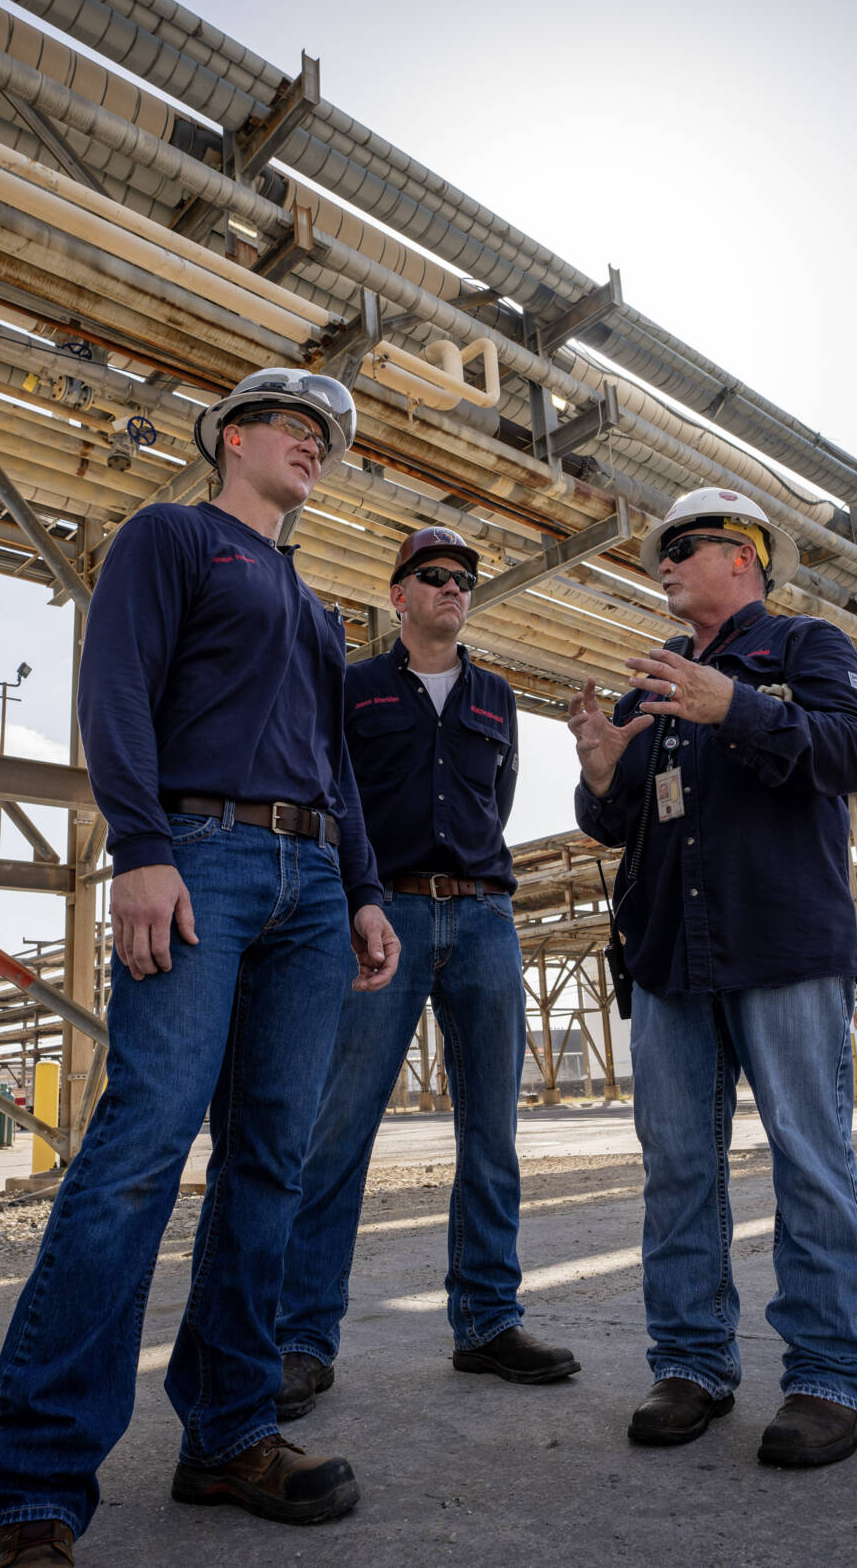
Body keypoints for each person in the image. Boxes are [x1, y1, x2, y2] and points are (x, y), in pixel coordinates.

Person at [0, 369, 401, 1568]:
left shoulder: (318, 612)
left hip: (314, 885)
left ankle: (228, 1431)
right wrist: (142, 848)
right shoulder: (172, 537)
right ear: (232, 438)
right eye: (292, 425)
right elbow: (113, 691)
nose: (314, 442)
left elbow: (340, 766)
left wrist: (364, 888)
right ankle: (33, 1484)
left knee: (270, 1156)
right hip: (202, 855)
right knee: (144, 1138)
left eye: (329, 435)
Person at [566, 487, 857, 1469]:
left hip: (780, 943)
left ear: (743, 556)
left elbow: (853, 751)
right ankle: (692, 1364)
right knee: (678, 1167)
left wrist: (739, 707)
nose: (662, 565)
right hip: (671, 955)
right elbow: (618, 824)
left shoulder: (804, 648)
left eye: (682, 548)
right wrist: (597, 770)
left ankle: (830, 1376)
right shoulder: (650, 686)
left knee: (809, 1153)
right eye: (659, 554)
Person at [273, 526, 579, 1423]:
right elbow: (333, 795)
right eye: (436, 577)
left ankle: (487, 1321)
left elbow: (502, 797)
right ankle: (300, 1338)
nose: (455, 588)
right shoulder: (355, 687)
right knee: (340, 1131)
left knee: (492, 1132)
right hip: (386, 912)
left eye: (465, 580)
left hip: (483, 914)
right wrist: (355, 898)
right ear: (399, 593)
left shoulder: (496, 695)